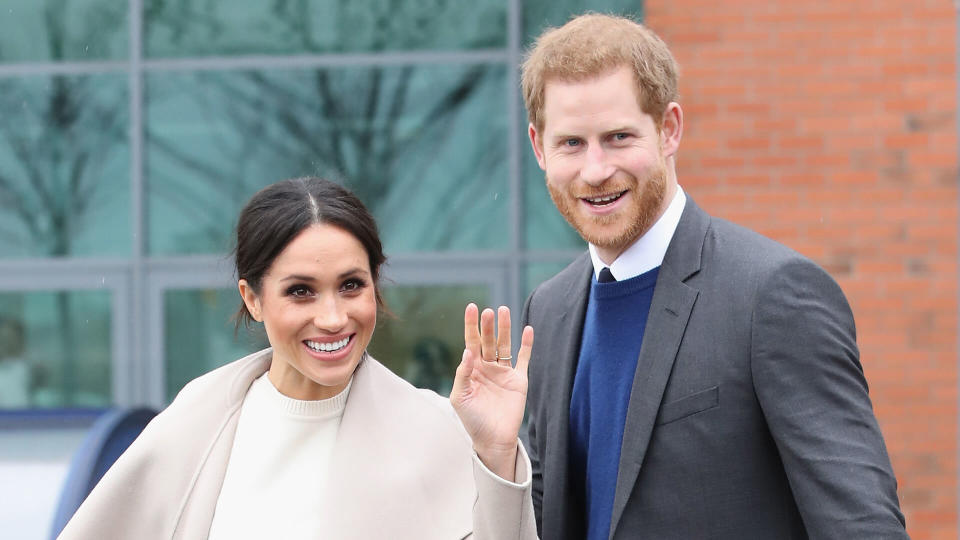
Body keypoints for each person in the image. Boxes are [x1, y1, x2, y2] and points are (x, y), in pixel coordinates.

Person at [520, 13, 907, 540]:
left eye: (618, 137)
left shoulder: (771, 295)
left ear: (670, 128)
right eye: (571, 143)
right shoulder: (548, 310)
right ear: (539, 148)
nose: (595, 170)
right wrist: (497, 456)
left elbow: (861, 526)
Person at [58, 177, 538, 539]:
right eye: (300, 291)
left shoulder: (440, 428)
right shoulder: (196, 420)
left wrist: (495, 454)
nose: (332, 318)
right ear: (252, 298)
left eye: (352, 285)